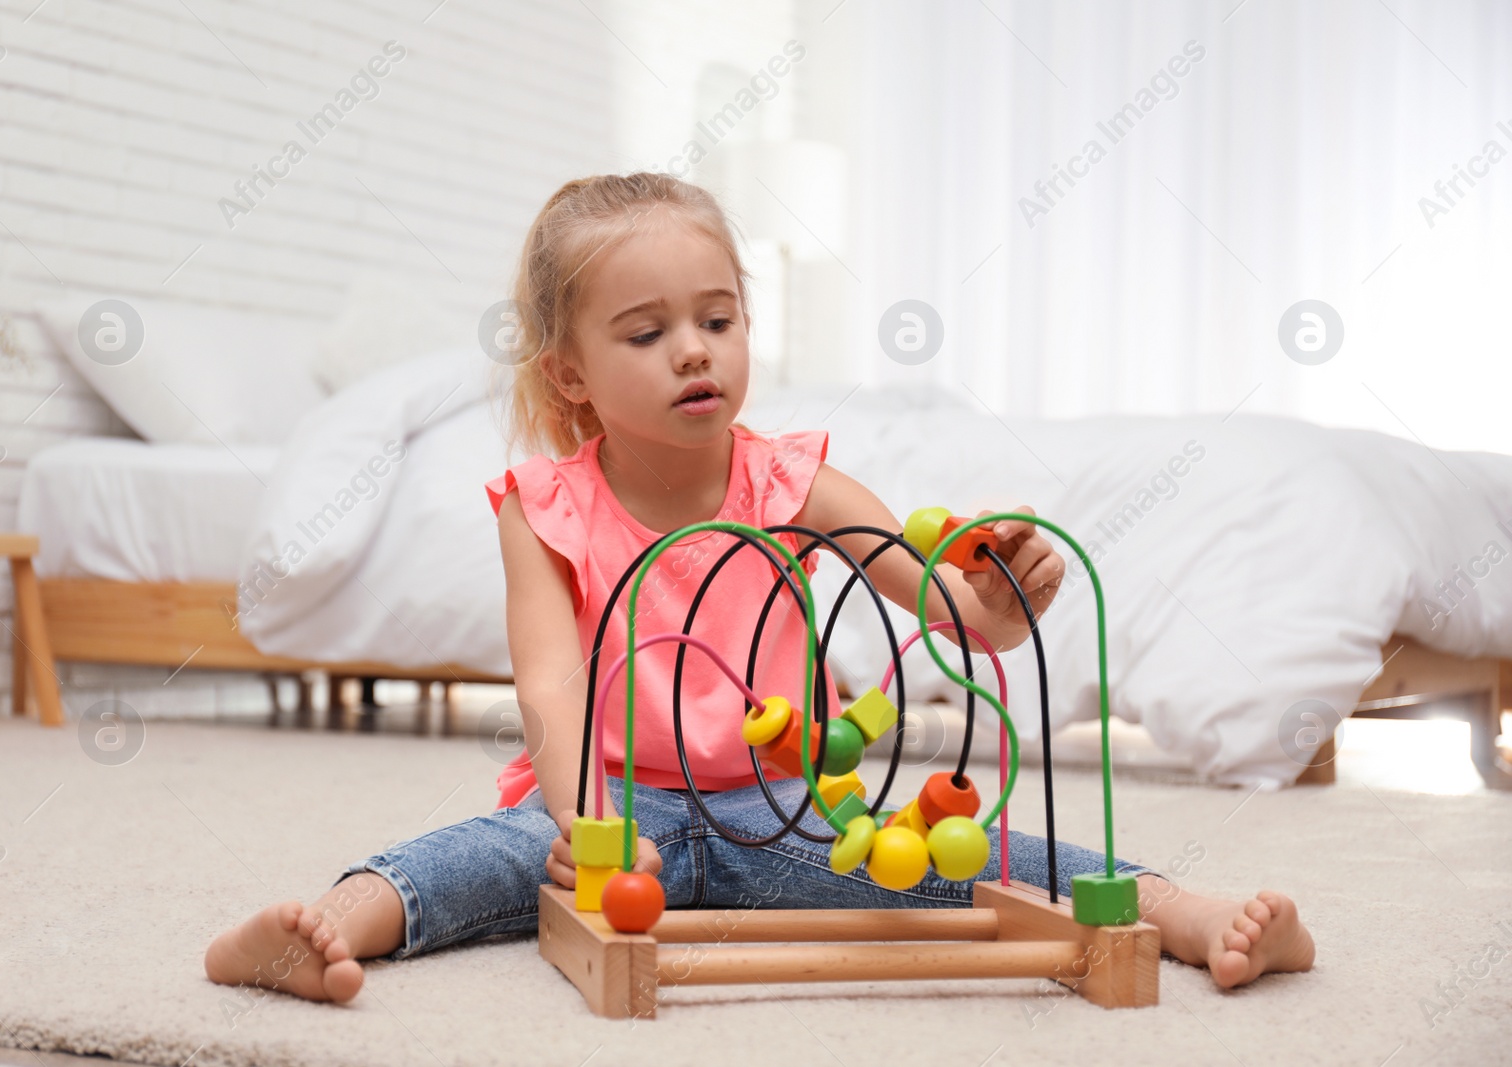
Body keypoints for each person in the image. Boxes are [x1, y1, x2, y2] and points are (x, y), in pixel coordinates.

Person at [205, 172, 1315, 1005]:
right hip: (608, 803)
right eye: (648, 332)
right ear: (572, 374)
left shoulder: (795, 479)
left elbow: (953, 612)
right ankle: (326, 926)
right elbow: (549, 680)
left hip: (777, 807)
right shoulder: (540, 501)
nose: (694, 351)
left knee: (956, 862)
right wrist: (586, 820)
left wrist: (1010, 589)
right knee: (474, 856)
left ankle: (1182, 908)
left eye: (718, 320)